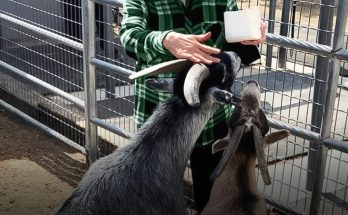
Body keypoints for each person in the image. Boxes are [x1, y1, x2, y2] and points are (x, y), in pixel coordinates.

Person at [120, 0, 266, 213]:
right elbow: (128, 35)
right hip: (161, 117)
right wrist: (165, 40)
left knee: (210, 195)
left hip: (211, 115)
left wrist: (251, 37)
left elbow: (234, 41)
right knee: (153, 197)